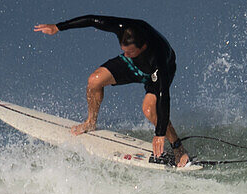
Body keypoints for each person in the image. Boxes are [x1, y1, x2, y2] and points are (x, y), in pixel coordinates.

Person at [33, 15, 191, 167]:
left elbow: (164, 98)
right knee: (94, 81)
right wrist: (58, 27)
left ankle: (178, 148)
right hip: (133, 66)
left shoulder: (159, 56)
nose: (126, 54)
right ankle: (90, 122)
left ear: (142, 47)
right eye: (124, 51)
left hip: (154, 73)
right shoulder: (122, 28)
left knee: (150, 110)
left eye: (130, 52)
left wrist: (160, 134)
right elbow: (91, 20)